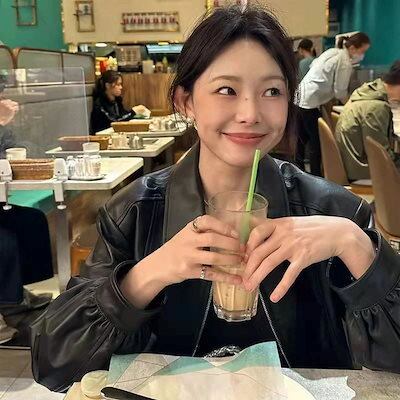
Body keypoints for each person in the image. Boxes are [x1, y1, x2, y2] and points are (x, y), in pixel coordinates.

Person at [31, 5, 400, 393]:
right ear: (185, 101)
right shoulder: (135, 212)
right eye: (227, 90)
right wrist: (145, 276)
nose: (250, 113)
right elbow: (54, 365)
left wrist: (354, 245)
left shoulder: (334, 211)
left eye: (272, 91)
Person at [296, 32, 371, 176]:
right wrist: (353, 106)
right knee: (316, 144)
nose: (363, 55)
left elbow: (314, 66)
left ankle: (298, 174)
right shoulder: (344, 62)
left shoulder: (333, 52)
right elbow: (340, 92)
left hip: (301, 98)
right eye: (363, 51)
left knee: (301, 141)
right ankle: (316, 177)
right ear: (353, 48)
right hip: (309, 102)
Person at [335, 60, 400, 181]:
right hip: (361, 170)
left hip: (350, 163)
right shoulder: (376, 107)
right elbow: (380, 155)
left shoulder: (368, 93)